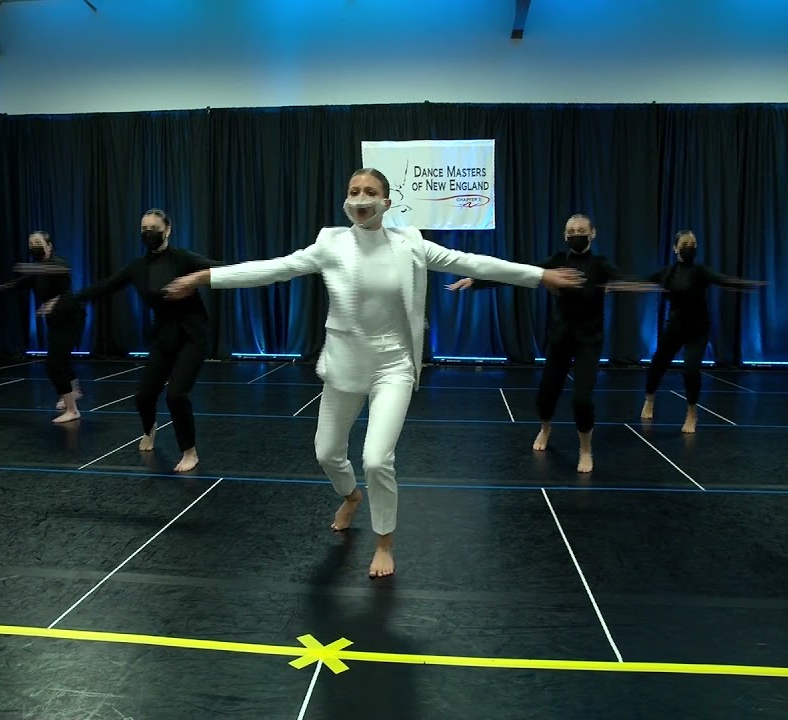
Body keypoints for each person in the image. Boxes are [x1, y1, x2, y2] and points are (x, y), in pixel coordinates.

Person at [166, 168, 585, 579]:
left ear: (386, 202)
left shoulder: (411, 244)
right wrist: (204, 277)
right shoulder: (329, 244)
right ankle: (351, 496)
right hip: (345, 365)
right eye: (354, 190)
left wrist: (540, 276)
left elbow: (473, 262)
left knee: (376, 459)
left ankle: (384, 541)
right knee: (327, 453)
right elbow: (272, 268)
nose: (360, 197)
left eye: (369, 191)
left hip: (393, 365)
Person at [446, 214, 659, 473]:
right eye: (571, 231)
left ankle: (585, 450)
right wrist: (476, 282)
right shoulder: (557, 262)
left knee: (582, 399)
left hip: (589, 340)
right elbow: (519, 273)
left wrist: (645, 285)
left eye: (581, 230)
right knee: (547, 393)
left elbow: (625, 277)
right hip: (560, 338)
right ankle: (545, 428)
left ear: (592, 234)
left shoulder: (600, 264)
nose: (576, 234)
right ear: (564, 235)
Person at [39, 208, 221, 473]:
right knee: (144, 396)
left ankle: (189, 451)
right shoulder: (138, 267)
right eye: (144, 229)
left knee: (176, 395)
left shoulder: (183, 259)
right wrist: (62, 301)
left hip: (192, 336)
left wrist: (199, 279)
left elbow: (220, 269)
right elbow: (104, 287)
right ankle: (149, 429)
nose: (148, 233)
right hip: (163, 337)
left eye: (153, 228)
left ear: (168, 230)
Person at [640, 230, 767, 433]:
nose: (689, 248)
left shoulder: (700, 271)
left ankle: (692, 413)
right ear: (675, 248)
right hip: (675, 326)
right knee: (657, 365)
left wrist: (745, 284)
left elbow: (721, 279)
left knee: (691, 370)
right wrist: (619, 284)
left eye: (692, 245)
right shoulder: (667, 272)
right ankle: (649, 399)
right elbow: (642, 280)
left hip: (698, 328)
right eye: (685, 244)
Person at [0, 231, 85, 423]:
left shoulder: (58, 263)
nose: (34, 246)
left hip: (71, 319)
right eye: (31, 243)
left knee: (54, 363)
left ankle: (72, 409)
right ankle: (73, 391)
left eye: (37, 242)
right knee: (61, 360)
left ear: (49, 246)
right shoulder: (37, 271)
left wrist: (53, 302)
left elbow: (66, 289)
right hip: (55, 321)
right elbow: (19, 283)